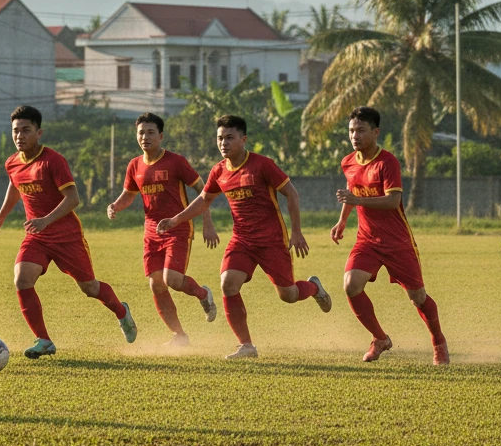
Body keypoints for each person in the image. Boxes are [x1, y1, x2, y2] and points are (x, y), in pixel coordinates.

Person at [157, 114, 332, 359]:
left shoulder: (262, 165)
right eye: (220, 138)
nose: (223, 143)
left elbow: (291, 194)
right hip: (241, 241)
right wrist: (176, 219)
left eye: (229, 137)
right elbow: (204, 200)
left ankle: (314, 288)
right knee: (228, 283)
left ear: (243, 139)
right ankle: (246, 345)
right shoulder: (218, 171)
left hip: (271, 241)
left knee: (288, 295)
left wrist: (297, 232)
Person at [0, 105, 137, 359]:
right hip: (37, 236)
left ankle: (121, 312)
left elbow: (73, 198)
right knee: (22, 279)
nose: (19, 136)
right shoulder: (12, 162)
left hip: (67, 237)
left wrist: (46, 219)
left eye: (26, 130)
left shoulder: (52, 161)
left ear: (39, 132)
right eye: (15, 131)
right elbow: (15, 188)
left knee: (89, 287)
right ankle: (44, 340)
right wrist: (0, 219)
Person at [332, 106, 448, 365]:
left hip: (398, 242)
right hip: (367, 240)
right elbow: (353, 191)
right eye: (351, 130)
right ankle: (380, 339)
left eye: (361, 130)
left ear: (375, 132)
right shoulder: (348, 162)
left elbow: (393, 201)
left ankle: (438, 342)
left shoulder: (387, 162)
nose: (355, 135)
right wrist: (342, 221)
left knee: (417, 297)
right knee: (351, 285)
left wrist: (355, 199)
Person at [107, 112, 219, 345]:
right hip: (151, 233)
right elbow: (129, 194)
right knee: (155, 283)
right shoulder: (134, 165)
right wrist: (115, 206)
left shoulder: (176, 162)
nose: (145, 137)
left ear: (161, 136)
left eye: (150, 133)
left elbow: (203, 191)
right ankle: (179, 335)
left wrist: (207, 223)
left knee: (172, 279)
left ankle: (203, 294)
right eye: (141, 133)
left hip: (178, 229)